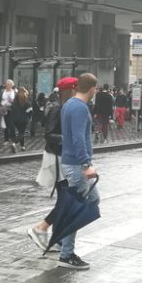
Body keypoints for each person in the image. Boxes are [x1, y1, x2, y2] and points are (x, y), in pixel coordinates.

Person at [56, 73, 100, 270]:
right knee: (78, 209)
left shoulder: (69, 104)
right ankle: (66, 254)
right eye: (95, 89)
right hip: (76, 165)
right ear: (91, 88)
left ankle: (62, 239)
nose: (96, 92)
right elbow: (78, 139)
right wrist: (86, 164)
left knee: (92, 200)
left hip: (70, 162)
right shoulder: (80, 108)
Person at [29, 77, 78, 250]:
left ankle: (56, 238)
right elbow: (49, 134)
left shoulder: (67, 108)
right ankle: (41, 228)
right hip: (57, 159)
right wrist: (68, 139)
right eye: (76, 89)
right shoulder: (57, 109)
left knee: (65, 200)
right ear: (69, 91)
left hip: (63, 158)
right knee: (66, 201)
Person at [8, 87, 31, 152]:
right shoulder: (26, 102)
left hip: (15, 120)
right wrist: (29, 118)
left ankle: (22, 146)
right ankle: (14, 143)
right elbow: (29, 111)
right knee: (22, 133)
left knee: (20, 132)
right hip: (24, 119)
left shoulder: (15, 101)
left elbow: (11, 109)